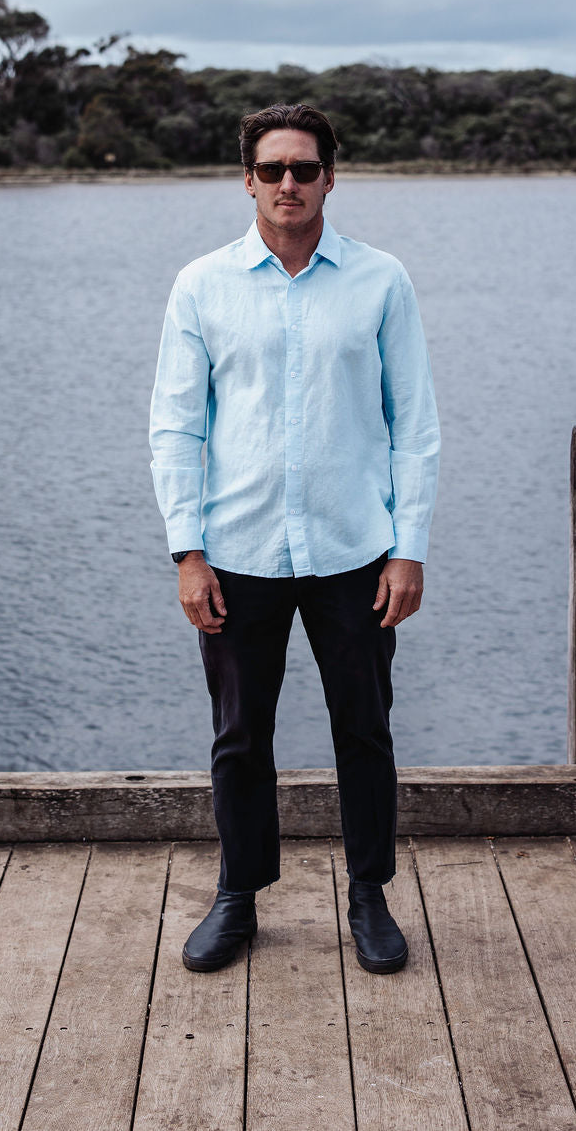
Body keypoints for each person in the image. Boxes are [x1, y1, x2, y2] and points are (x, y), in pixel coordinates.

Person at [149, 103, 440, 975]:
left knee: (366, 731)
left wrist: (409, 547)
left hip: (357, 551)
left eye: (304, 169)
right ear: (247, 180)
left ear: (329, 178)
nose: (288, 183)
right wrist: (187, 552)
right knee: (240, 735)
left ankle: (370, 894)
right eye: (272, 169)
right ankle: (238, 894)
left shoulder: (382, 281)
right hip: (237, 553)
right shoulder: (202, 285)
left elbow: (414, 425)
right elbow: (176, 428)